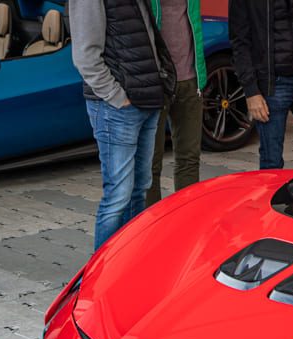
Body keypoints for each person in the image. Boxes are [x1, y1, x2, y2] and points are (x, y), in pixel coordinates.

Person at [69, 0, 175, 250]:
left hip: (147, 101)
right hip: (117, 108)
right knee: (118, 196)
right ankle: (99, 277)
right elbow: (85, 57)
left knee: (139, 189)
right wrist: (118, 97)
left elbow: (147, 39)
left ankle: (128, 263)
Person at [229, 0, 293, 169]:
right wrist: (251, 92)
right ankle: (272, 196)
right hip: (272, 86)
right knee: (272, 162)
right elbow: (240, 43)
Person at [146, 0, 205, 206]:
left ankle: (185, 217)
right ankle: (151, 226)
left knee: (189, 159)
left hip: (190, 79)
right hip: (156, 83)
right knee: (151, 163)